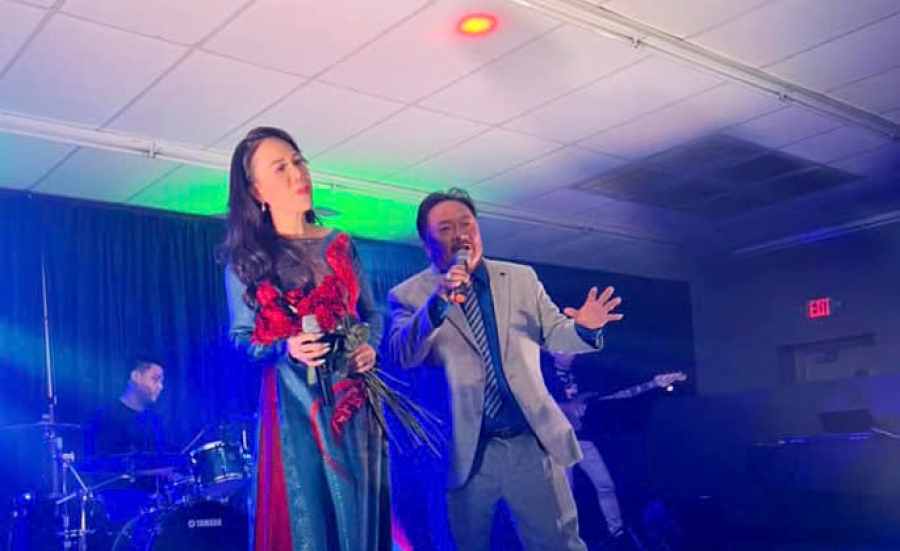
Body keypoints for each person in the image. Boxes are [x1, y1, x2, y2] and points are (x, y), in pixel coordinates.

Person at [386, 188, 624, 551]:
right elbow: (402, 354)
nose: (460, 234)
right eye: (446, 229)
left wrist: (586, 329)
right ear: (426, 245)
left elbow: (555, 332)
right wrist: (437, 305)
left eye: (466, 224)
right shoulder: (408, 294)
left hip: (530, 441)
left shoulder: (520, 278)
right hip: (462, 451)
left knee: (559, 544)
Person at [221, 126, 390, 551]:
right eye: (281, 168)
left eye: (298, 162)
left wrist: (368, 345)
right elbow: (241, 340)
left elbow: (373, 313)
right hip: (296, 405)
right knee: (311, 520)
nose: (298, 173)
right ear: (257, 191)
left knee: (361, 516)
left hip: (356, 399)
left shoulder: (340, 245)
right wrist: (285, 347)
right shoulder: (246, 259)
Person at [546, 351, 624, 545]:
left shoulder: (581, 373)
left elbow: (609, 392)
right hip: (559, 440)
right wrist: (568, 406)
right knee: (566, 492)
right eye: (564, 350)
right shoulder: (544, 374)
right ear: (553, 351)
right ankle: (564, 538)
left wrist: (654, 383)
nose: (570, 354)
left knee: (605, 484)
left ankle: (617, 531)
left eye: (572, 350)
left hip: (583, 439)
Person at [86, 354, 165, 457]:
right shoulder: (107, 417)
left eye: (161, 382)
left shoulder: (153, 420)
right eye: (155, 379)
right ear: (136, 377)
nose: (160, 387)